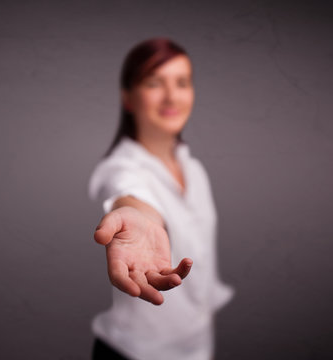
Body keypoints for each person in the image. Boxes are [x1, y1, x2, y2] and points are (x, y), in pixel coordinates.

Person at [89, 38, 234, 360]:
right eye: (154, 83)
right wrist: (137, 215)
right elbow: (128, 192)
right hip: (134, 353)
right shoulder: (120, 166)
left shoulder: (193, 169)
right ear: (128, 97)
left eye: (182, 83)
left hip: (196, 350)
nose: (172, 96)